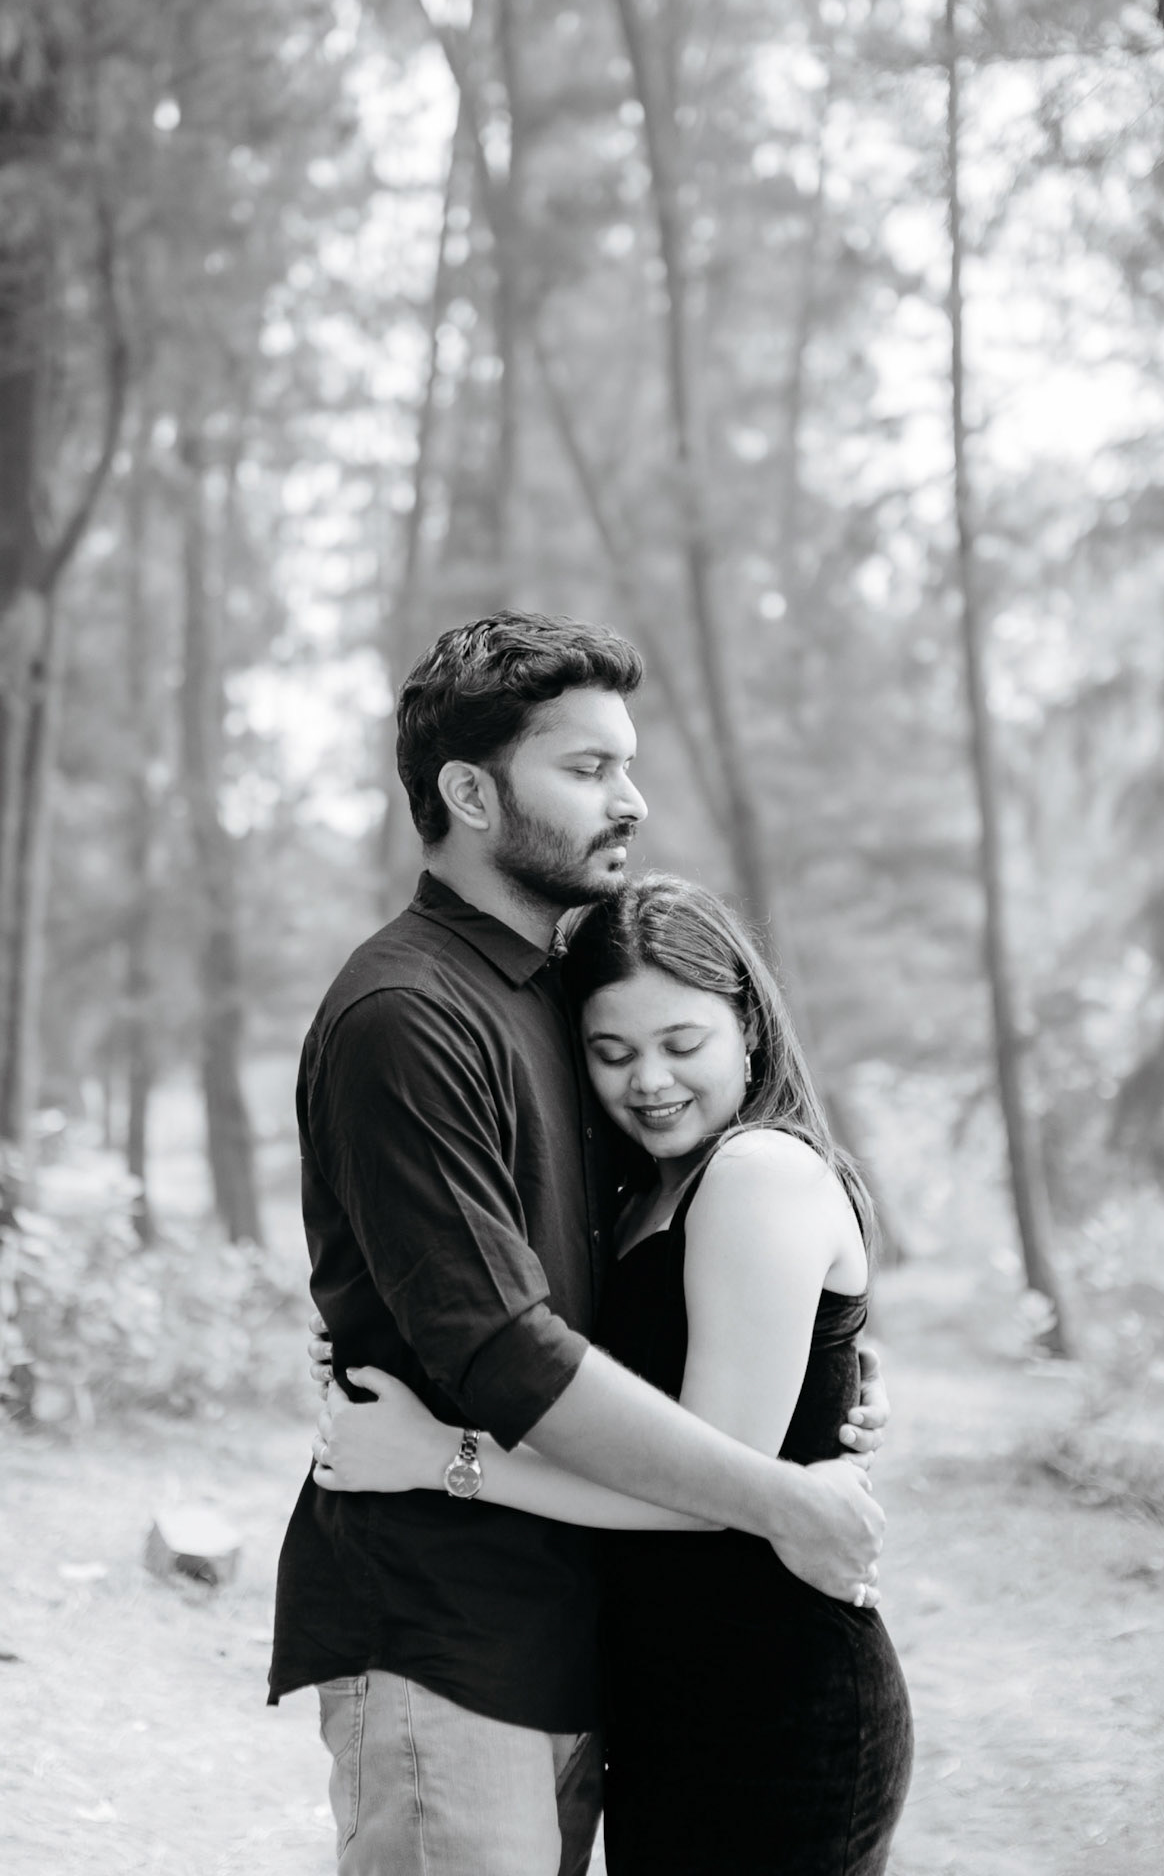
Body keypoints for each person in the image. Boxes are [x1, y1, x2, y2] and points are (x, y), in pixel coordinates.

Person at [267, 614, 889, 1876]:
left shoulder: (556, 996)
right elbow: (505, 1345)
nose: (632, 799)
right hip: (447, 1633)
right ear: (470, 793)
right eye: (589, 767)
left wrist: (824, 1385)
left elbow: (635, 1287)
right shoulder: (408, 1013)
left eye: (629, 764)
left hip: (588, 1638)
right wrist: (774, 1493)